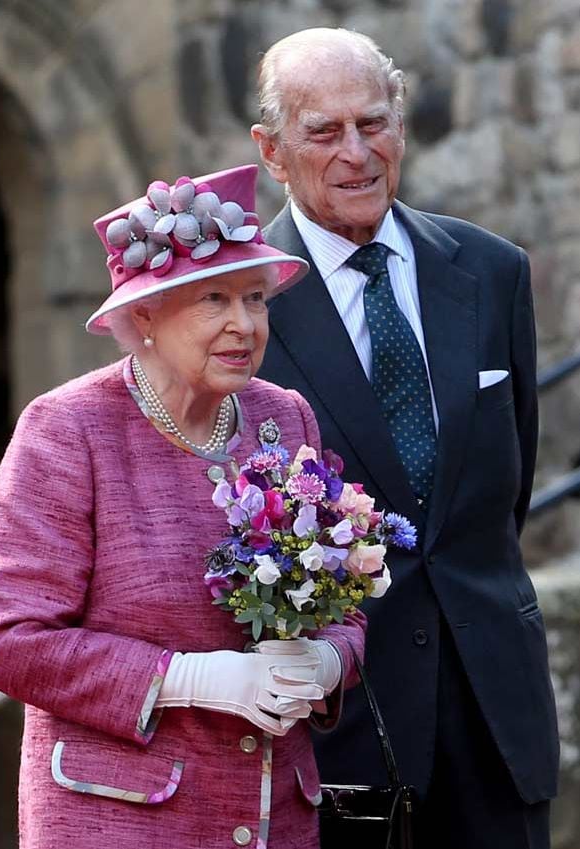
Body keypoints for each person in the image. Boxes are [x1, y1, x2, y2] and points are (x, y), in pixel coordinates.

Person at [0, 163, 366, 849]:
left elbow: (344, 601)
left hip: (275, 816)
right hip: (118, 819)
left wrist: (327, 662)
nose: (244, 324)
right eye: (214, 298)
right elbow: (9, 639)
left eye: (255, 298)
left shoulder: (284, 418)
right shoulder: (67, 429)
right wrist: (188, 677)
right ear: (144, 314)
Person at [251, 27, 559, 849]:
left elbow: (507, 486)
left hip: (499, 724)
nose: (357, 152)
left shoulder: (491, 271)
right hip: (340, 737)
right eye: (323, 132)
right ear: (272, 153)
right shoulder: (241, 308)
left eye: (374, 122)